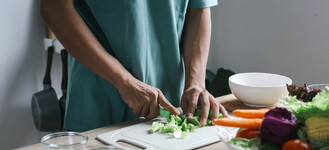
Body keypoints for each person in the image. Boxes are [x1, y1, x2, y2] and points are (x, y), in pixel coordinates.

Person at [40, 0, 228, 132]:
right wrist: (125, 82)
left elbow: (199, 9)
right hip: (100, 106)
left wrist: (196, 82)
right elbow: (54, 8)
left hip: (173, 109)